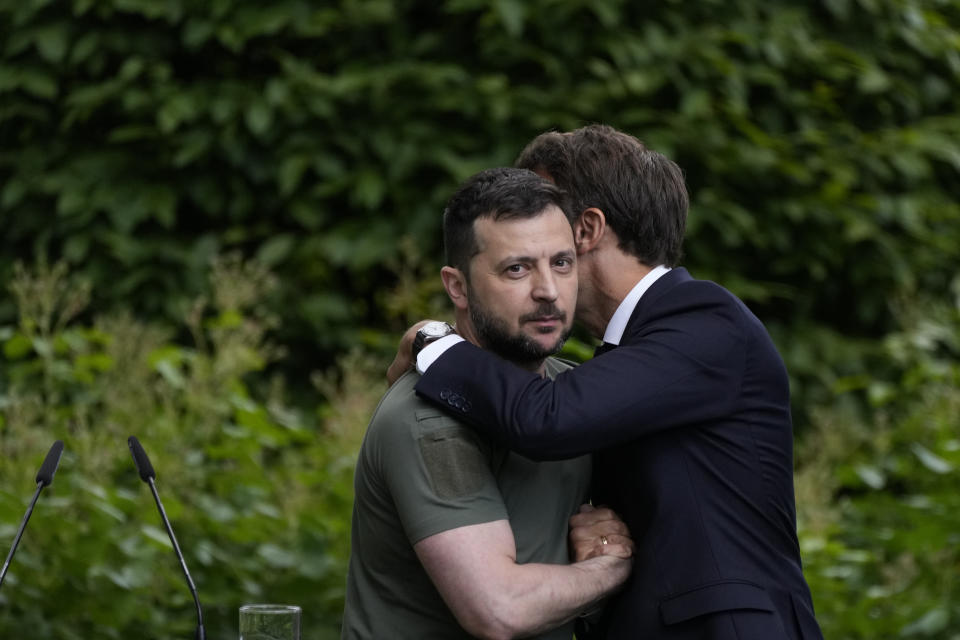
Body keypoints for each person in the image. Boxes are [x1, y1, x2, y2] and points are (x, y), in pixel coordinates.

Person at [401, 125, 824, 639]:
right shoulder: (635, 346)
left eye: (542, 211)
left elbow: (547, 419)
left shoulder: (704, 321)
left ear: (586, 230)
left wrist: (436, 342)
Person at [341, 167, 633, 640]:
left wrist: (597, 545)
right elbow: (498, 610)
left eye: (561, 263)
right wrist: (610, 571)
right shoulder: (430, 418)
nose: (548, 291)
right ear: (457, 287)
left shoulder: (571, 395)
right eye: (516, 268)